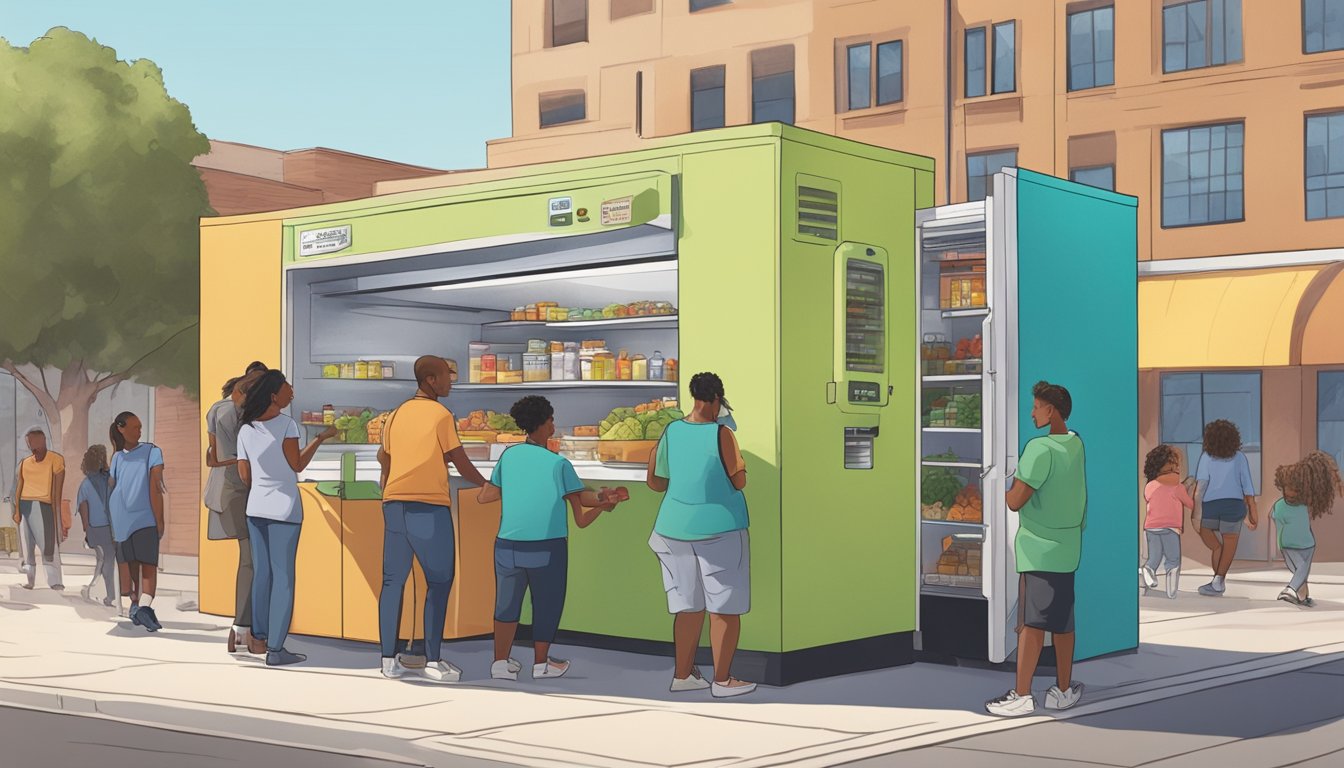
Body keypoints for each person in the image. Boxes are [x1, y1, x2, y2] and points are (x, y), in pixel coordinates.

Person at [478, 396, 624, 681]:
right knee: (546, 604)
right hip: (548, 547)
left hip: (507, 545)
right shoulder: (559, 465)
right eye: (551, 420)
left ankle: (500, 663)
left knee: (506, 604)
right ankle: (541, 664)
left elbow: (486, 496)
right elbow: (581, 512)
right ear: (544, 425)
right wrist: (605, 502)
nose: (553, 425)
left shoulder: (509, 456)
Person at [377, 355, 486, 683]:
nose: (450, 381)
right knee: (439, 582)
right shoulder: (441, 415)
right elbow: (460, 461)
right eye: (445, 376)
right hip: (428, 505)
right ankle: (433, 660)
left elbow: (385, 458)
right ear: (429, 380)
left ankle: (387, 660)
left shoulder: (395, 415)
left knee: (392, 582)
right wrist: (487, 483)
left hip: (394, 504)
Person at [646, 372, 755, 699]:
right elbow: (739, 481)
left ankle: (683, 675)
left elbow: (657, 483)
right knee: (723, 605)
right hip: (719, 529)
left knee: (687, 606)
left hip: (672, 530)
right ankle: (722, 680)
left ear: (694, 397)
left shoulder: (671, 431)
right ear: (718, 400)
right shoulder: (722, 434)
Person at [987, 381, 1087, 718]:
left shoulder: (1039, 449)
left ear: (1052, 410)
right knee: (1062, 623)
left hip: (1039, 548)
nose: (1032, 412)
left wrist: (996, 485)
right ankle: (1062, 689)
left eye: (1036, 406)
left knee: (1031, 624)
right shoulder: (1075, 445)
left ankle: (1022, 694)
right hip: (1068, 546)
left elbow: (1015, 501)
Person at [236, 370, 337, 667]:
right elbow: (298, 464)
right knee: (283, 579)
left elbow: (244, 475)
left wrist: (262, 487)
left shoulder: (246, 430)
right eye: (287, 389)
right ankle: (277, 650)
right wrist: (321, 438)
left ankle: (259, 637)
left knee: (262, 574)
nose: (292, 392)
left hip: (256, 509)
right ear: (273, 395)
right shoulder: (287, 425)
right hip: (284, 509)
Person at [207, 370, 266, 656]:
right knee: (251, 562)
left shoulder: (217, 408)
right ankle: (242, 630)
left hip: (226, 492)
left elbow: (211, 455)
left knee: (250, 561)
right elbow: (221, 458)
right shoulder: (239, 416)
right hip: (239, 492)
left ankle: (243, 631)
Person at [109, 412, 166, 631]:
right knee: (140, 564)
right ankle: (140, 606)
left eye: (140, 427)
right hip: (130, 518)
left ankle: (139, 607)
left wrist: (158, 518)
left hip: (137, 518)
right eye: (134, 427)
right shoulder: (121, 457)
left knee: (143, 563)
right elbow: (155, 487)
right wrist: (159, 519)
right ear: (121, 429)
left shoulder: (150, 451)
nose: (139, 431)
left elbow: (155, 486)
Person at [1193, 420, 1258, 597]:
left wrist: (1195, 515)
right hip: (1234, 506)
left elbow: (1200, 489)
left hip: (1211, 505)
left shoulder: (1206, 457)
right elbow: (1247, 488)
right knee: (1229, 543)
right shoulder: (1240, 457)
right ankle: (1219, 579)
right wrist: (1252, 511)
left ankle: (1217, 582)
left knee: (1215, 544)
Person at [1270, 451, 1343, 607]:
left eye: (1295, 489)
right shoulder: (1279, 505)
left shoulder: (1305, 504)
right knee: (1300, 570)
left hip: (1307, 545)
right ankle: (1296, 593)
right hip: (1288, 546)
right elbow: (1276, 521)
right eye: (1287, 488)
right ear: (1282, 486)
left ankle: (1296, 594)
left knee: (1302, 569)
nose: (1290, 493)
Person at [13, 427, 66, 591]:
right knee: (28, 546)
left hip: (44, 505)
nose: (32, 446)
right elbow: (19, 488)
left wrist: (57, 515)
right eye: (29, 443)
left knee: (48, 546)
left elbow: (58, 490)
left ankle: (55, 581)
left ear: (43, 441)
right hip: (25, 505)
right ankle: (30, 581)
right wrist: (17, 511)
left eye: (35, 442)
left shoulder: (56, 460)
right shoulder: (24, 464)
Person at [1141, 445, 1196, 599]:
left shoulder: (1150, 486)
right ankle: (1171, 591)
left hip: (1151, 528)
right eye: (1176, 465)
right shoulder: (1178, 488)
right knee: (1173, 560)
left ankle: (1148, 569)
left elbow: (1153, 497)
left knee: (1155, 557)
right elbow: (1190, 504)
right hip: (1171, 528)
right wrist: (1189, 490)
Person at [77, 445, 117, 606]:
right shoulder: (111, 480)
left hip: (95, 528)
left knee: (101, 559)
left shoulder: (85, 484)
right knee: (109, 560)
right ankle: (107, 594)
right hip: (111, 527)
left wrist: (87, 529)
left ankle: (99, 590)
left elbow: (83, 509)